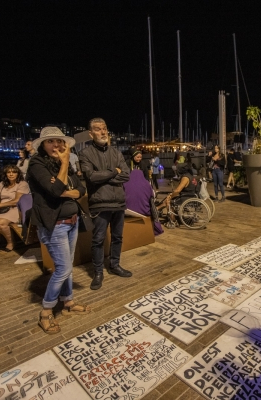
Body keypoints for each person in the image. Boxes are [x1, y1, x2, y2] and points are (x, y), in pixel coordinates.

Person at [27, 127, 91, 334]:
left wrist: (66, 191)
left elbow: (81, 189)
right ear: (43, 146)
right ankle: (45, 312)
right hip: (54, 225)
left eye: (59, 141)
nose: (56, 145)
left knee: (67, 267)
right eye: (50, 141)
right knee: (63, 269)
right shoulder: (37, 164)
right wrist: (65, 163)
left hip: (71, 221)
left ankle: (68, 302)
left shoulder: (62, 166)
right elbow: (55, 191)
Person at [79, 118, 132, 291]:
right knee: (98, 240)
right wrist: (112, 172)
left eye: (104, 128)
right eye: (97, 129)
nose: (102, 132)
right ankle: (98, 272)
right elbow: (91, 177)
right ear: (90, 133)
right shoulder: (85, 153)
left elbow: (126, 175)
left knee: (117, 237)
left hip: (118, 202)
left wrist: (105, 176)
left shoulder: (116, 153)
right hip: (100, 204)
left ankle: (115, 265)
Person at [157, 162, 198, 228]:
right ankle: (158, 208)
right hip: (191, 195)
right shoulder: (191, 176)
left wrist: (171, 195)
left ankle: (173, 221)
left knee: (168, 200)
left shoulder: (185, 178)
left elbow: (178, 190)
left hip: (186, 197)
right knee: (170, 197)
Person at [125, 169, 164, 235]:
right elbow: (152, 199)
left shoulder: (125, 183)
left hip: (128, 212)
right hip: (144, 212)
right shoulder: (147, 184)